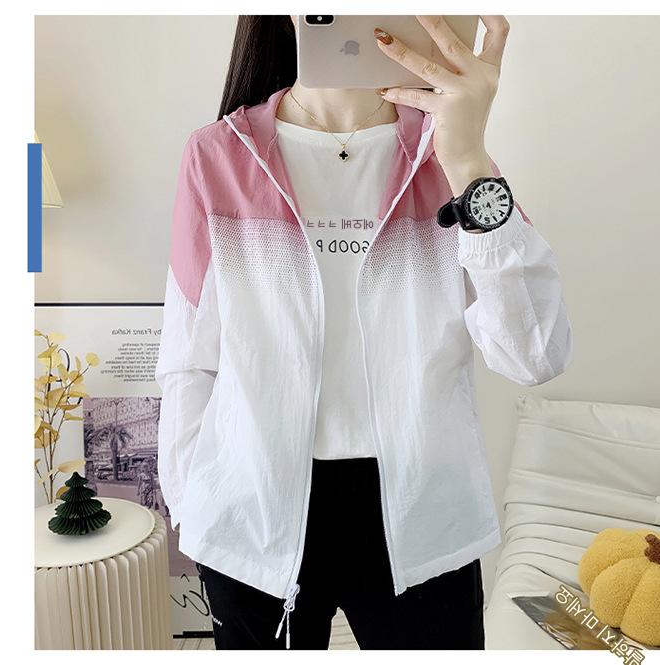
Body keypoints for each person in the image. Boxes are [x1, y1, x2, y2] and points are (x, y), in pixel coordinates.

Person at [155, 15, 573, 650]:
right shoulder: (218, 155)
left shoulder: (448, 155)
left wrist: (468, 160)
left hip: (423, 515)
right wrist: (194, 507)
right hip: (255, 507)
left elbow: (534, 355)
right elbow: (190, 359)